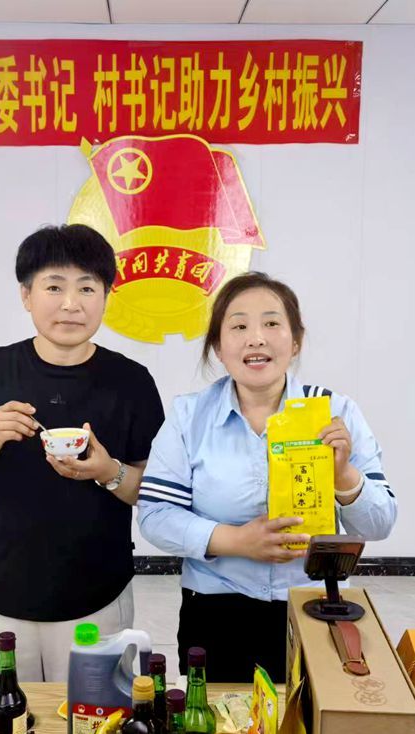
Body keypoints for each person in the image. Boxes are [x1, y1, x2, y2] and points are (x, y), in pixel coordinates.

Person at [0, 224, 164, 682]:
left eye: (87, 288)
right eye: (54, 287)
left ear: (106, 297)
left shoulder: (131, 382)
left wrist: (108, 471)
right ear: (26, 295)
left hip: (97, 602)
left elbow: (154, 493)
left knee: (92, 720)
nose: (71, 304)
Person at [137, 272, 397, 683]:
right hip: (216, 607)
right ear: (218, 347)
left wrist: (344, 475)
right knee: (220, 720)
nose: (256, 339)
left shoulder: (336, 413)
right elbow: (155, 515)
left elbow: (380, 523)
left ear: (295, 342)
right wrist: (236, 540)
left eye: (272, 323)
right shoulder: (189, 416)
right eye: (239, 326)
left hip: (314, 603)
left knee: (311, 718)